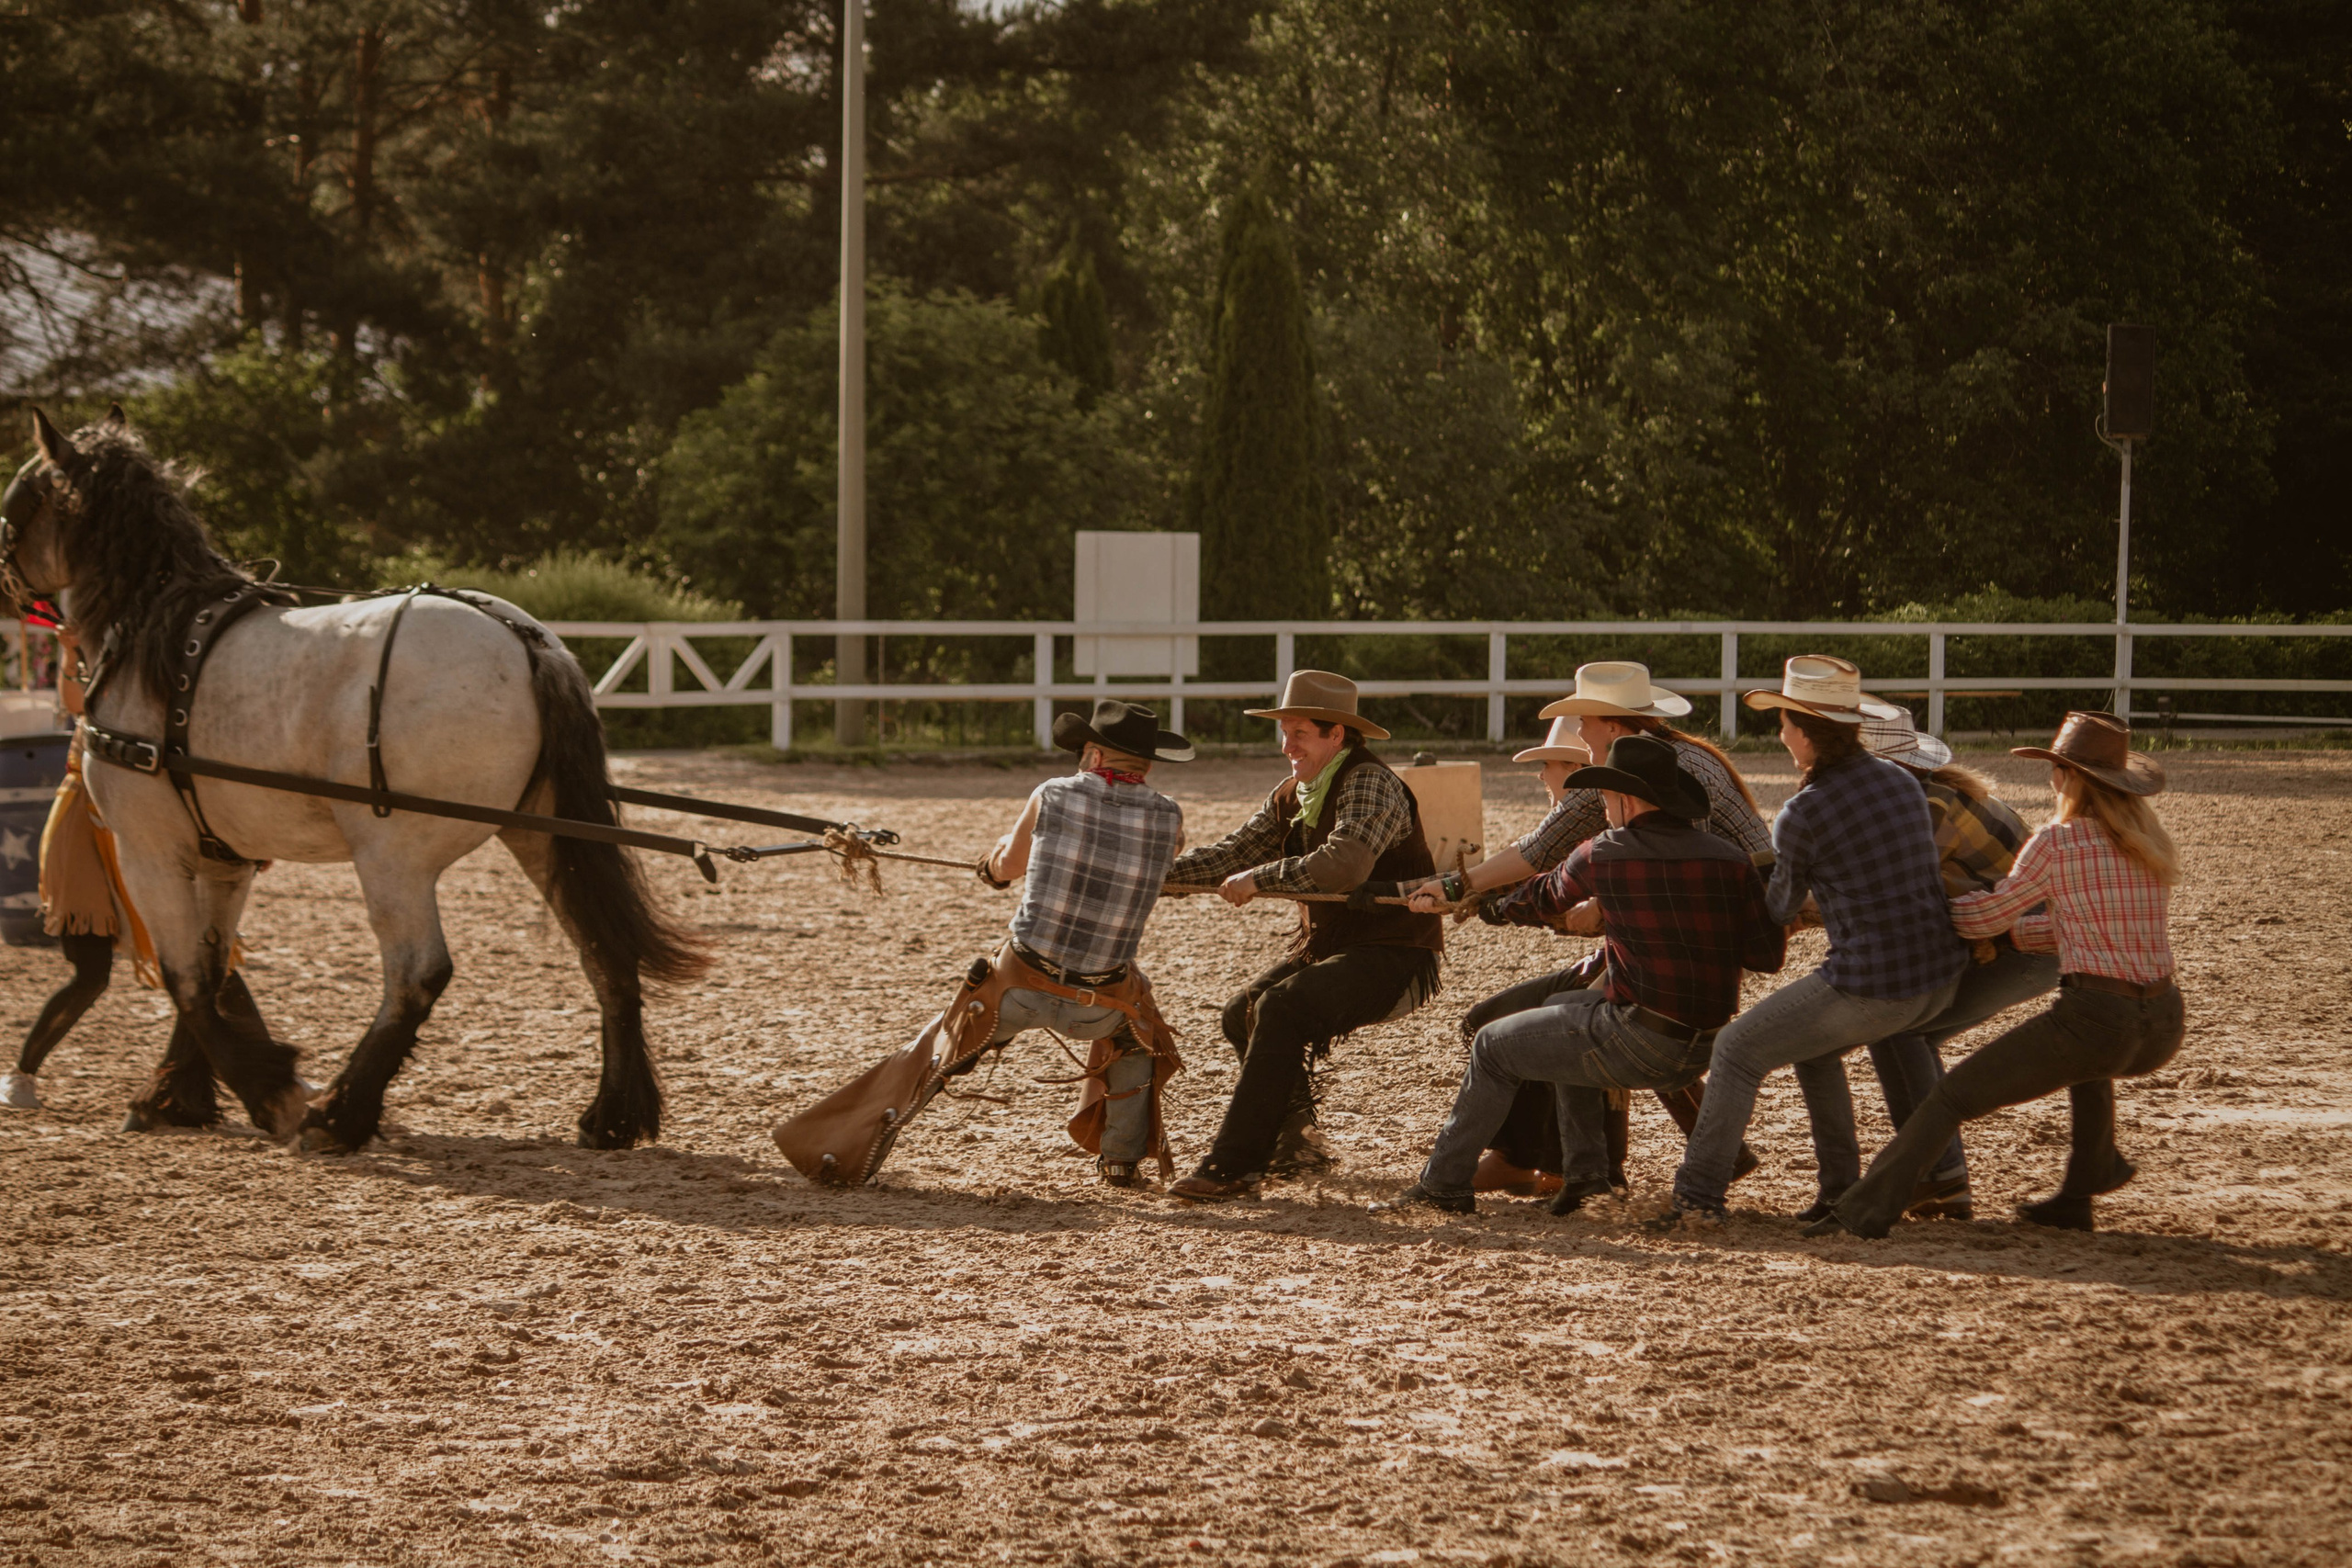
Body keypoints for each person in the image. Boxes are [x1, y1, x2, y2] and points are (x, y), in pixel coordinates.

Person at [1809, 712, 2185, 1237]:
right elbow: (2073, 930)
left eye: (2055, 767)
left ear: (2066, 776)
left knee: (1950, 1099)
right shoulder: (2150, 845)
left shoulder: (2058, 841)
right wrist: (2012, 937)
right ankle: (2085, 1182)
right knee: (2088, 1062)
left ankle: (1862, 1212)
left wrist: (1950, 904)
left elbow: (1985, 916)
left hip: (2098, 1019)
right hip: (2164, 1023)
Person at [1378, 735, 1786, 1214]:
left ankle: (1442, 1184)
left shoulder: (1605, 851)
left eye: (1607, 797)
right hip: (1708, 1044)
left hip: (1641, 1042)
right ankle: (1587, 1177)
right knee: (1563, 1013)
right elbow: (1766, 958)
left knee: (1491, 1043)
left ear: (1625, 799)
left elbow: (1540, 898)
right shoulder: (1729, 860)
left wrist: (1478, 903)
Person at [1657, 655, 1969, 1228]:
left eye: (1783, 723)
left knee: (1736, 1049)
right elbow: (1882, 879)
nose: (1781, 735)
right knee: (1813, 1049)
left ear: (1805, 732)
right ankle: (1846, 1189)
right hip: (1939, 973)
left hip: (1875, 982)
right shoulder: (1901, 781)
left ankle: (1696, 1198)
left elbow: (1776, 909)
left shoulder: (1803, 811)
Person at [1164, 671, 1442, 1201]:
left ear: (1337, 735)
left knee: (1280, 1008)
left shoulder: (1370, 781)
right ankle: (1297, 1143)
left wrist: (1259, 880)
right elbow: (1232, 856)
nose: (1287, 746)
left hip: (1397, 953)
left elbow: (1343, 867)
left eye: (1300, 734)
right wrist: (1141, 879)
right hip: (1338, 950)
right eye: (1284, 732)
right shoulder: (1295, 792)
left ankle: (1234, 1166)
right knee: (1242, 1010)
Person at [1793, 709, 2058, 1221]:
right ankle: (1939, 1176)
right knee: (1904, 1029)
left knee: (1903, 1029)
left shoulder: (1926, 810)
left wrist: (1795, 912)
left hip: (2028, 945)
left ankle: (1941, 1176)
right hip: (2014, 939)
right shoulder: (1924, 799)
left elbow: (1888, 897)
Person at [970, 698, 1193, 1186]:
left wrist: (987, 867)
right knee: (1137, 1037)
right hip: (1099, 1002)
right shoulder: (1170, 817)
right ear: (1147, 764)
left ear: (1093, 756)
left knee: (950, 1033)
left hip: (1019, 986)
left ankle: (902, 1104)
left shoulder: (1051, 793)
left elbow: (1007, 866)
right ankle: (1120, 1157)